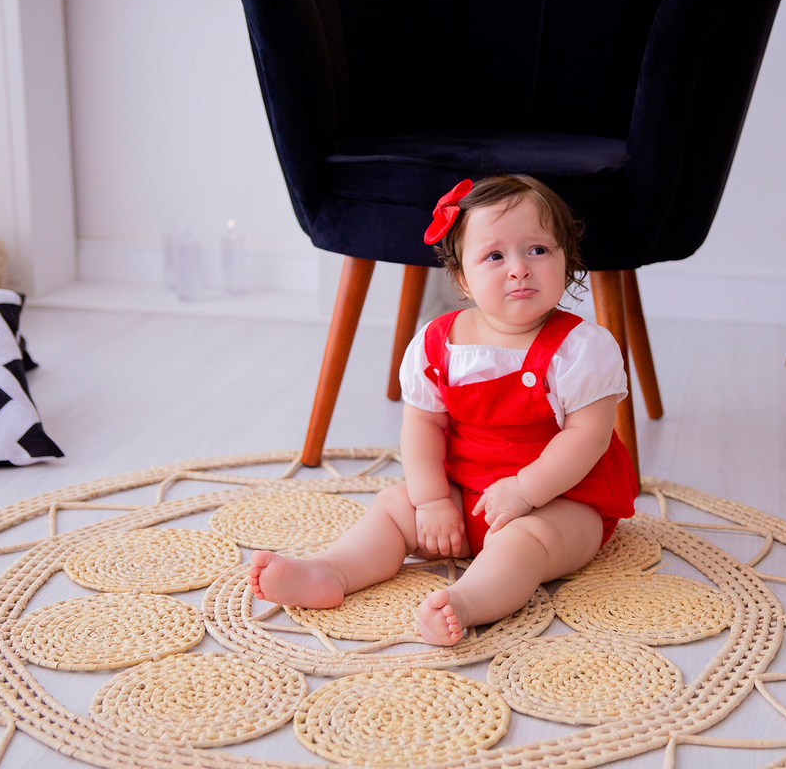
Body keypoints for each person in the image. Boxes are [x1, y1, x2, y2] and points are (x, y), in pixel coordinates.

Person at [248, 175, 638, 645]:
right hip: (463, 497)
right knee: (395, 505)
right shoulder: (438, 342)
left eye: (538, 250)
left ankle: (465, 602)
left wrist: (524, 491)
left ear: (566, 259)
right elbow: (422, 426)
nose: (519, 269)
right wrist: (432, 500)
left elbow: (588, 438)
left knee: (524, 544)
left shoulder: (580, 348)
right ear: (461, 278)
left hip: (562, 503)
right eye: (495, 256)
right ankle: (332, 572)